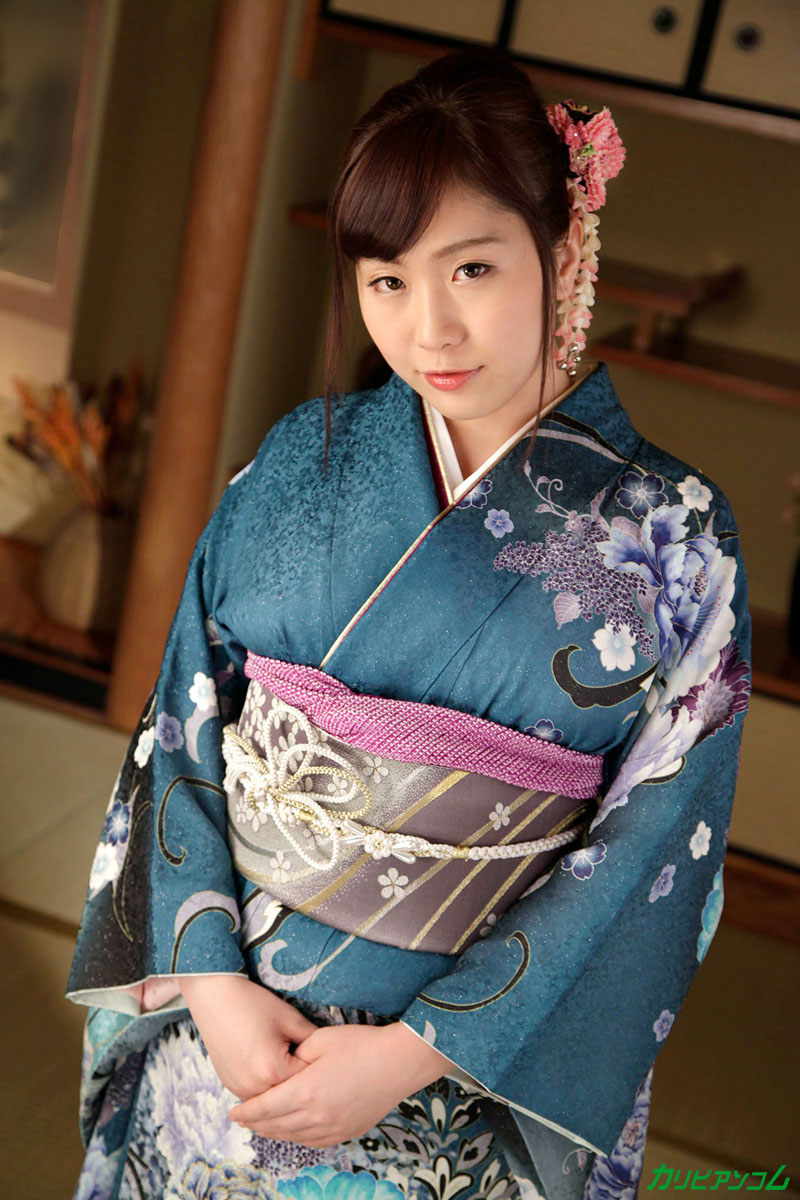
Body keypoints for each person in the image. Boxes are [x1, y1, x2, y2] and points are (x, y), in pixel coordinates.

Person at [67, 47, 752, 1200]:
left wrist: (415, 1052)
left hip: (454, 1088)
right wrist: (210, 981)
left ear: (563, 248)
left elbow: (653, 847)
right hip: (226, 1052)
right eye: (385, 281)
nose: (428, 327)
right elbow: (182, 722)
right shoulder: (298, 463)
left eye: (471, 268)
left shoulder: (674, 536)